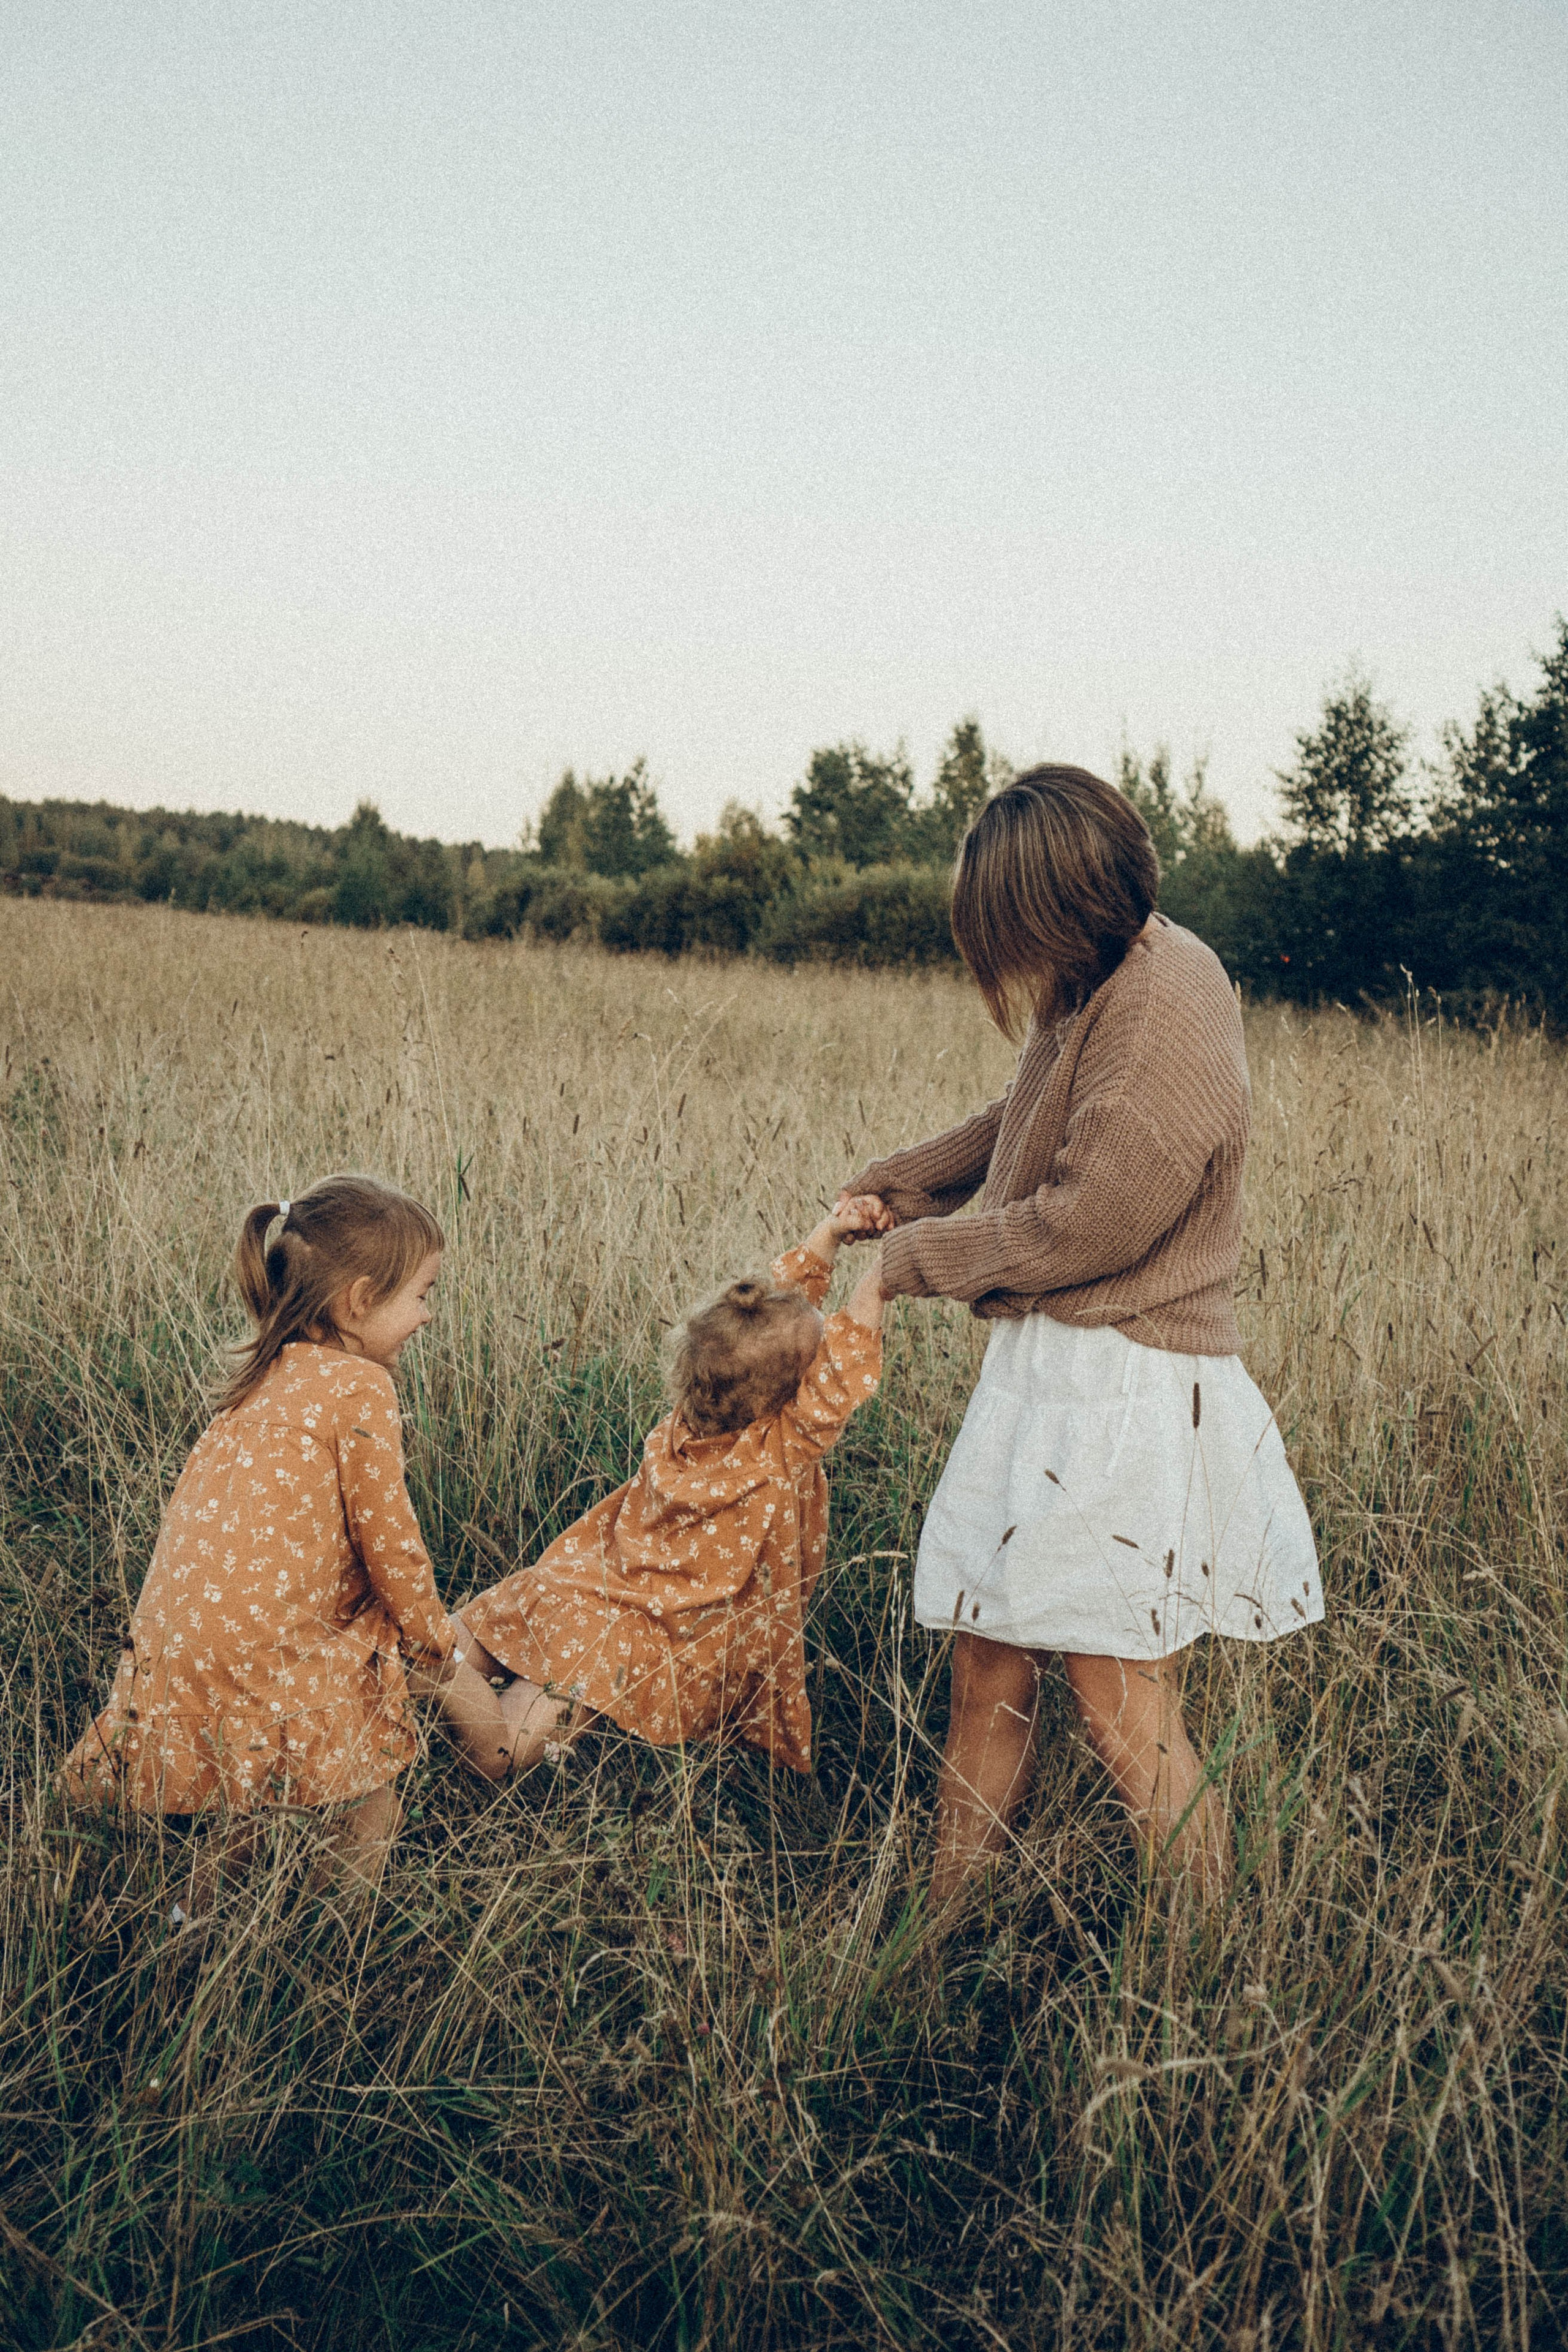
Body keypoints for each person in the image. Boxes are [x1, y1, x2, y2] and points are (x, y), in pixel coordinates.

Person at [836, 766, 1322, 1904]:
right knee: (987, 1660)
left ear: (1067, 905)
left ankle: (1210, 1959)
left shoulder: (1169, 1001)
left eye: (1007, 931)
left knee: (1119, 1703)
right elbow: (1029, 1117)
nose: (1003, 964)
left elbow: (1087, 1223)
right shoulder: (1098, 979)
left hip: (1129, 1386)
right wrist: (905, 1188)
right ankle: (942, 1930)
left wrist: (911, 1264)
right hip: (1055, 1377)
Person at [64, 1175, 508, 1912]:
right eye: (422, 1295)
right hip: (277, 1649)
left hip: (178, 1648)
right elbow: (391, 1548)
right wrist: (435, 1644)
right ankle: (340, 1943)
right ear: (359, 1302)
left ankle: (187, 1928)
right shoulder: (360, 1389)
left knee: (243, 1811)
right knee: (374, 1802)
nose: (428, 1316)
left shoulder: (262, 1375)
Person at [454, 1207, 885, 1776]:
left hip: (580, 1585)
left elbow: (778, 1321)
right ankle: (447, 1689)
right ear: (790, 1394)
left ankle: (414, 1663)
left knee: (462, 1637)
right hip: (644, 1636)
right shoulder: (775, 1454)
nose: (828, 1335)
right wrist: (886, 1272)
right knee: (503, 1751)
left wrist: (830, 1233)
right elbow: (841, 1359)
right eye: (819, 1351)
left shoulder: (684, 1421)